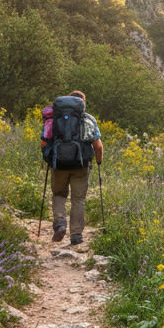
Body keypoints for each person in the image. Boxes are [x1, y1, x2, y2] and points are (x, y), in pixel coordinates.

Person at [43, 90, 103, 245]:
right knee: (78, 199)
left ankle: (60, 223)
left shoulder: (53, 119)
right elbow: (98, 146)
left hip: (59, 164)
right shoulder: (88, 119)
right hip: (81, 166)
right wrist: (98, 161)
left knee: (59, 194)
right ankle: (76, 235)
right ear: (82, 104)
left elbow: (44, 142)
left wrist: (48, 159)